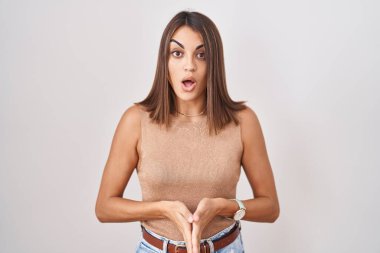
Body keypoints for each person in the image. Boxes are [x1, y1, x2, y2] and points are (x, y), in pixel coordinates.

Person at [95, 10, 280, 253]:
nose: (189, 65)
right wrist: (163, 209)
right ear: (165, 61)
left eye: (201, 55)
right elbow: (104, 208)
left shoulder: (243, 121)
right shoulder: (136, 120)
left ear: (214, 63)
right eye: (178, 53)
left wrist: (223, 206)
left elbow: (270, 208)